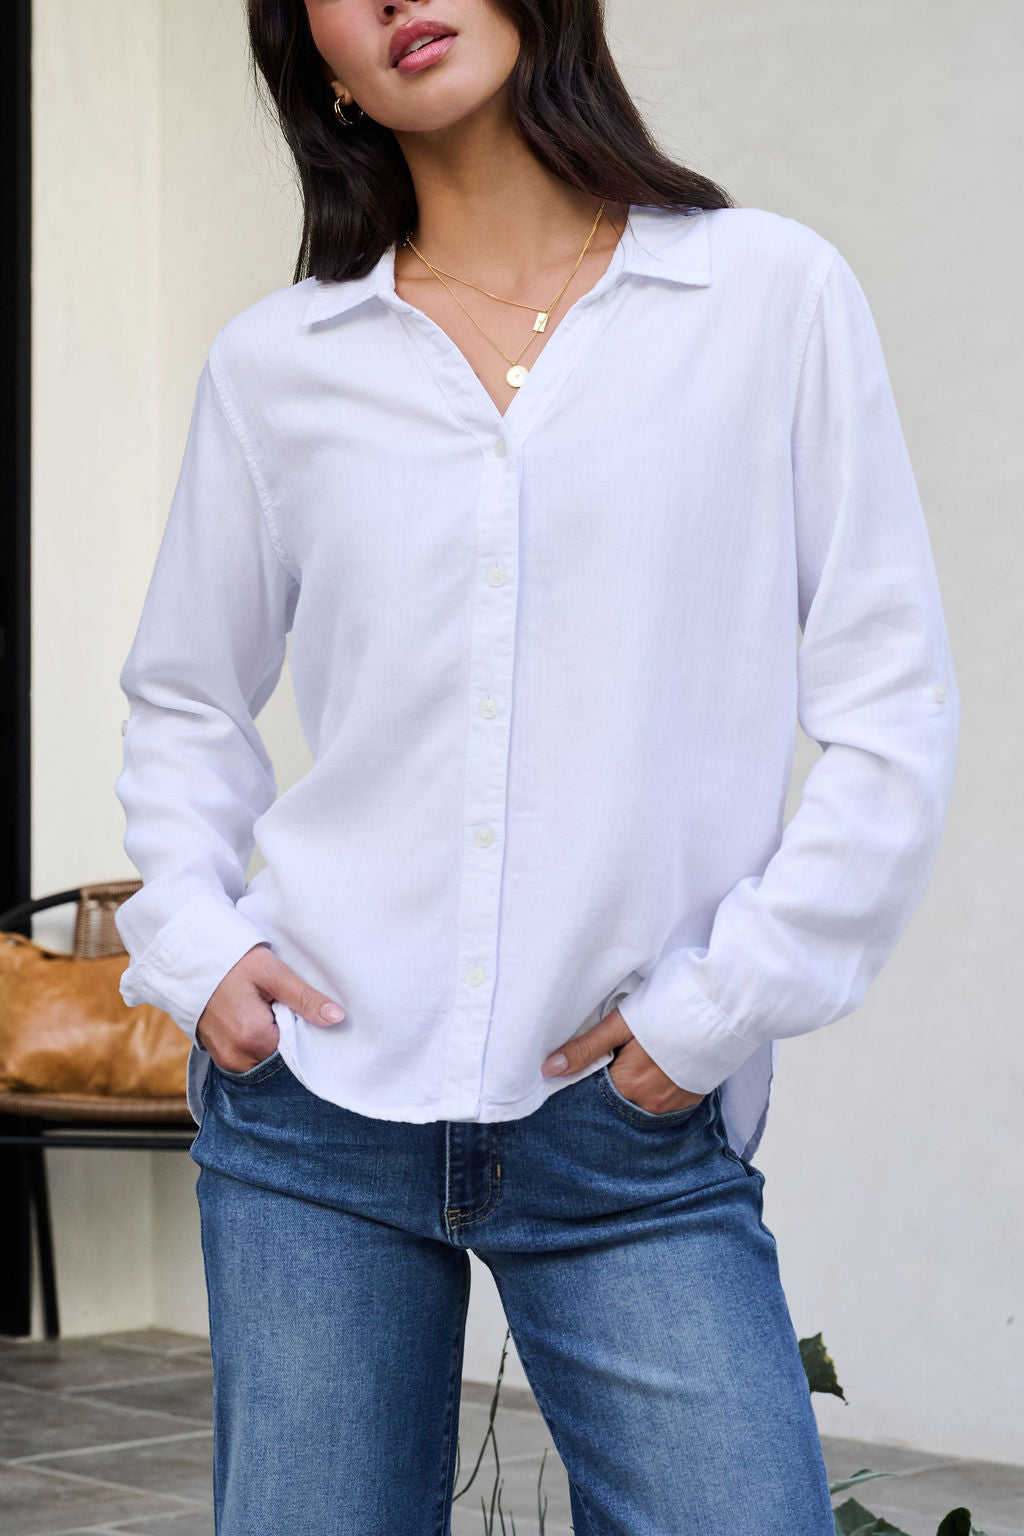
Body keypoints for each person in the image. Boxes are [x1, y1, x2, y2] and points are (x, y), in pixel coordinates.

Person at [112, 0, 959, 1531]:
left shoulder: (768, 298)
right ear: (324, 68)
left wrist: (716, 1009)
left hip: (625, 1127)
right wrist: (195, 940)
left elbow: (891, 707)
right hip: (316, 1113)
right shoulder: (278, 365)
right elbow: (184, 699)